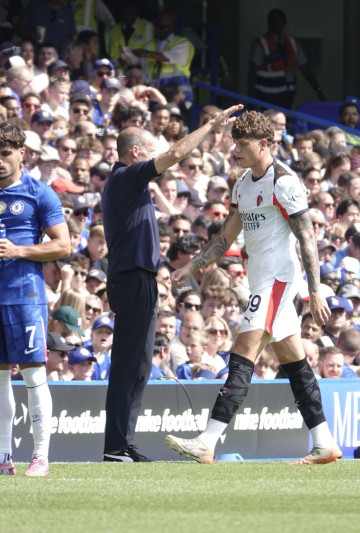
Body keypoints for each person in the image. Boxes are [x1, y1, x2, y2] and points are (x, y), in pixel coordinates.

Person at [165, 110, 341, 465]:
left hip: (277, 279)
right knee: (294, 362)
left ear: (264, 144)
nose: (235, 150)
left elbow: (307, 240)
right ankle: (324, 442)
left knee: (243, 350)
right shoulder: (243, 184)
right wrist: (192, 265)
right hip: (259, 277)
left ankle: (208, 439)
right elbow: (225, 236)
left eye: (242, 144)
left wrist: (316, 290)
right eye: (234, 142)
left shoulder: (285, 182)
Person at [100, 101, 242, 463]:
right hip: (131, 280)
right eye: (150, 150)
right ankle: (115, 446)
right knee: (128, 365)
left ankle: (123, 443)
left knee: (141, 366)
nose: (157, 156)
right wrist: (210, 127)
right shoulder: (125, 176)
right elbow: (177, 153)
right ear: (135, 153)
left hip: (141, 280)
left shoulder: (129, 182)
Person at [0, 122, 70, 477]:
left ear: (22, 154)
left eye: (7, 154)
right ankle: (1, 457)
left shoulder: (40, 193)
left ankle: (40, 457)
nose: (0, 160)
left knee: (35, 376)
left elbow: (64, 245)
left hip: (26, 296)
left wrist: (19, 249)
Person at [248, 8, 327, 108]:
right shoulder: (261, 42)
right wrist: (251, 96)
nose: (275, 24)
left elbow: (305, 68)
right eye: (273, 21)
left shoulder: (292, 42)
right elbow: (252, 71)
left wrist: (318, 89)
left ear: (284, 23)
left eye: (278, 21)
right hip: (266, 94)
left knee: (283, 120)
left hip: (286, 93)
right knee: (269, 121)